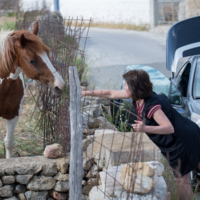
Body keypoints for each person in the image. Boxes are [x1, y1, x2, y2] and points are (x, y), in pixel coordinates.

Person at [81, 69, 200, 200]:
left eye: (125, 84)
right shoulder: (139, 97)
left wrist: (145, 128)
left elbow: (169, 128)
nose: (124, 86)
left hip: (181, 141)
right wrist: (86, 93)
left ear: (134, 88)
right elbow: (110, 93)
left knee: (182, 181)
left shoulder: (152, 106)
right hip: (189, 131)